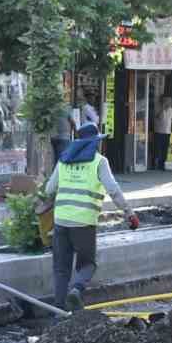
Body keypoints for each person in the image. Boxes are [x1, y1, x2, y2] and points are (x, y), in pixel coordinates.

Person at [37, 123, 140, 310]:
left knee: (61, 269)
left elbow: (49, 189)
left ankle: (59, 311)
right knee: (88, 264)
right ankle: (76, 290)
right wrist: (129, 213)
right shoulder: (99, 161)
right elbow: (113, 191)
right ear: (95, 143)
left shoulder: (64, 159)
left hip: (60, 221)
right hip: (83, 222)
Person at [154, 98, 172, 171]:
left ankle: (162, 164)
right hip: (159, 132)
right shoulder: (158, 108)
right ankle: (156, 163)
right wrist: (162, 108)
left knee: (165, 148)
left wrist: (170, 124)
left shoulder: (171, 109)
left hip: (167, 132)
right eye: (166, 101)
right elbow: (158, 117)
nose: (168, 103)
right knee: (158, 148)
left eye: (169, 102)